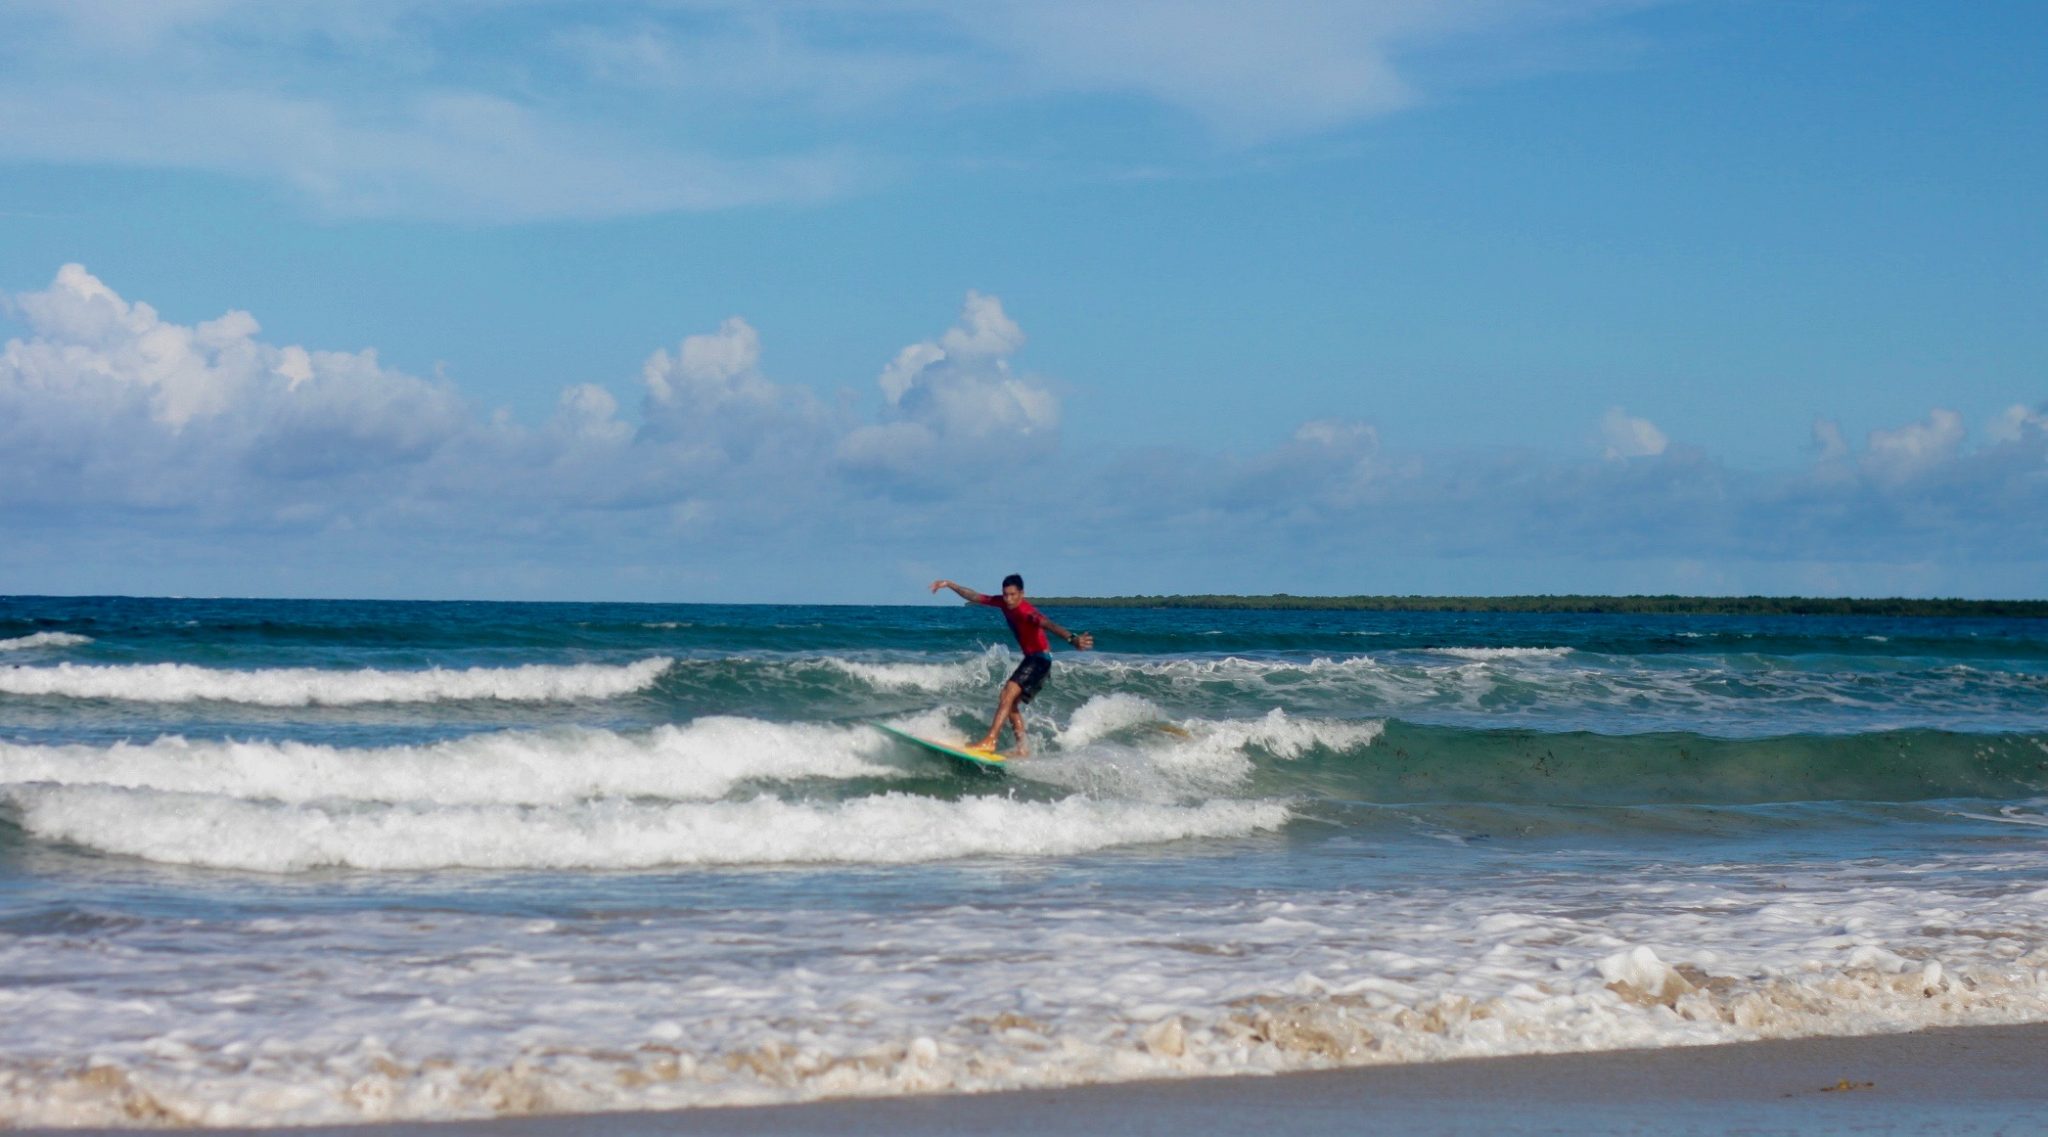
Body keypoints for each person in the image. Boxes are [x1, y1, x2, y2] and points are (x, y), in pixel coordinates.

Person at [930, 573, 1093, 756]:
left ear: (1021, 593)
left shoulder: (1026, 612)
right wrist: (949, 584)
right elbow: (974, 596)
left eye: (1012, 594)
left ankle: (990, 741)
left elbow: (1048, 624)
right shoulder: (1002, 603)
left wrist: (1072, 639)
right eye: (1005, 594)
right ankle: (1022, 748)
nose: (1008, 599)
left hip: (1039, 659)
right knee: (1010, 702)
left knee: (1007, 694)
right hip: (1032, 659)